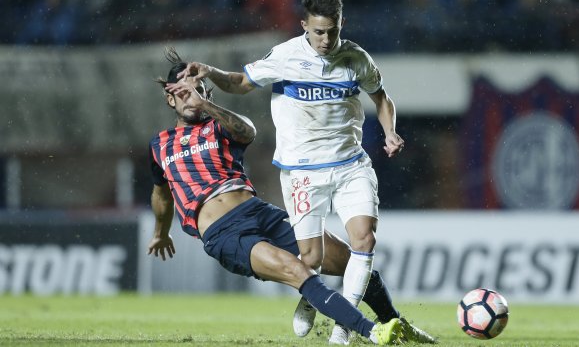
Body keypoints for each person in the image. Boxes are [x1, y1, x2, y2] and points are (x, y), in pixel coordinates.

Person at [147, 47, 436, 345]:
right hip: (224, 234)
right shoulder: (159, 146)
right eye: (182, 93)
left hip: (258, 212)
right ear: (170, 99)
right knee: (299, 271)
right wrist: (160, 233)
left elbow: (247, 132)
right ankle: (372, 332)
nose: (191, 98)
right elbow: (161, 195)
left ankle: (396, 323)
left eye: (198, 91)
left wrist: (206, 106)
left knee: (353, 263)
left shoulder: (218, 125)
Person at [170, 0, 405, 344]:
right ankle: (312, 298)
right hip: (302, 171)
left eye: (333, 31)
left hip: (349, 164)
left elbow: (381, 96)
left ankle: (345, 326)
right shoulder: (285, 56)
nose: (326, 40)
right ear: (304, 26)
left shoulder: (357, 58)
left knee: (364, 239)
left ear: (342, 24)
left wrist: (390, 131)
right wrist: (210, 71)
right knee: (310, 256)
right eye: (318, 32)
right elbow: (240, 82)